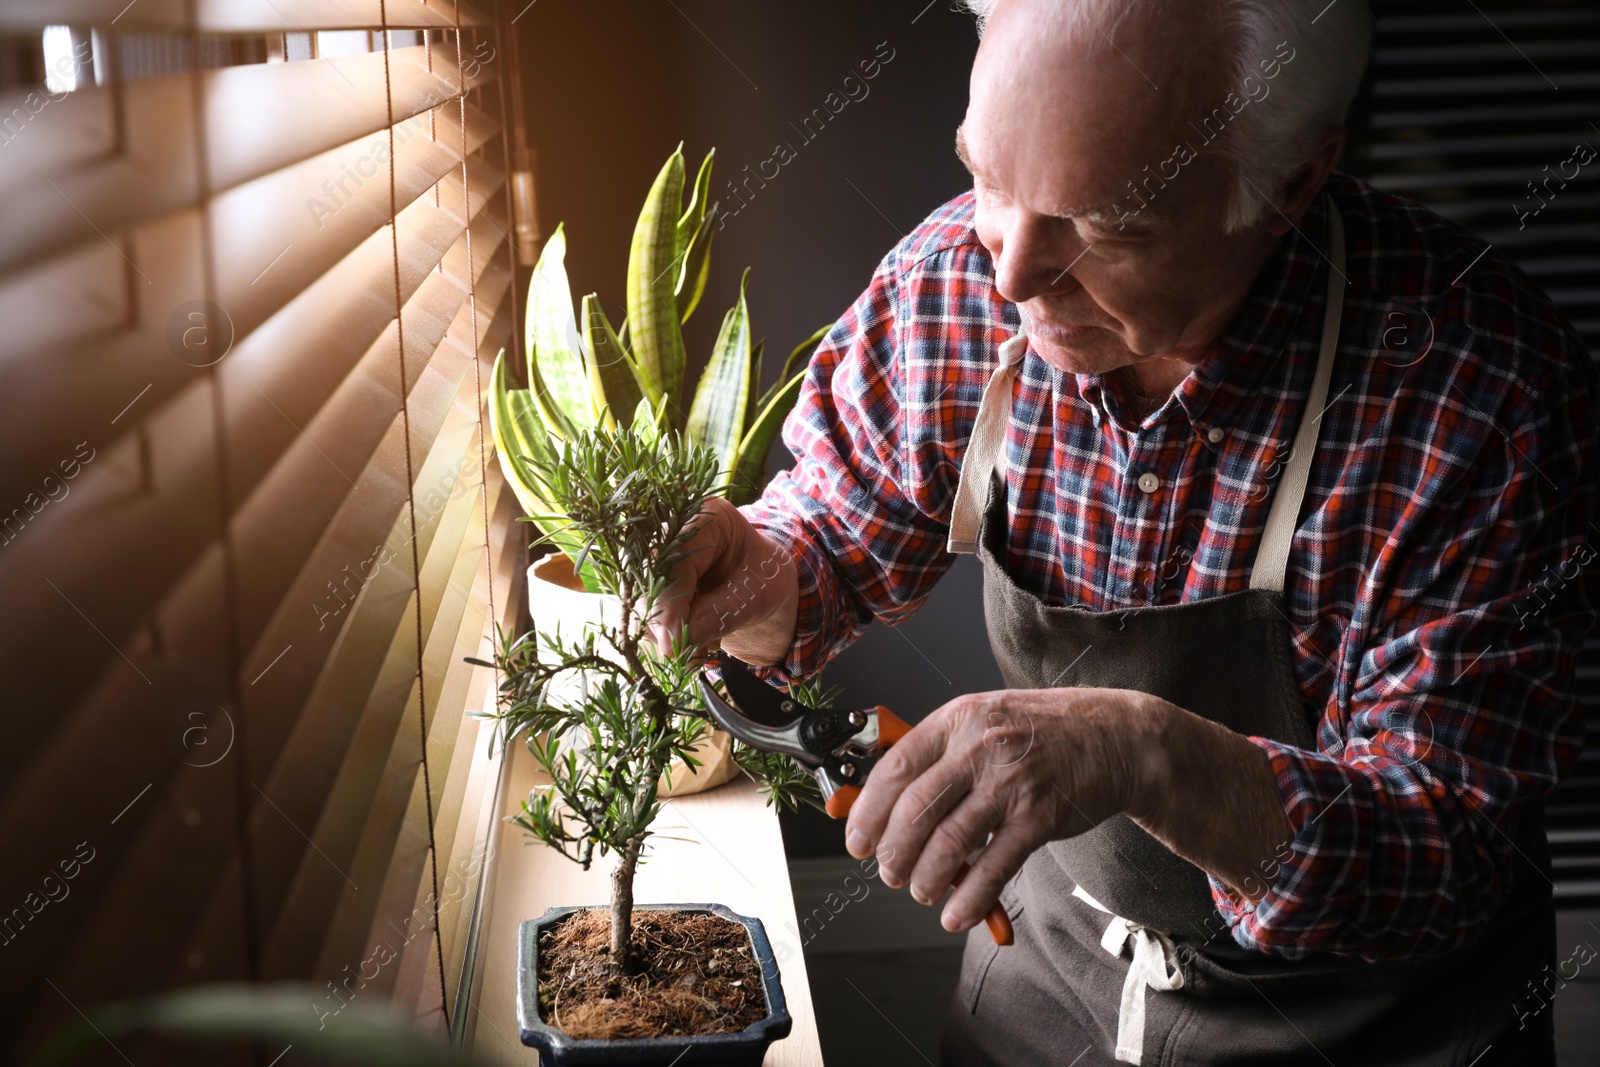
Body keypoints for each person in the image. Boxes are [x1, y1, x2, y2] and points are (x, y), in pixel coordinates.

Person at [656, 0, 1597, 1062]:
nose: (1009, 269)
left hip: (1375, 1020)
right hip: (1046, 983)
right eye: (986, 178)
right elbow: (837, 531)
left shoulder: (1482, 393)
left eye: (1102, 227)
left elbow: (1448, 853)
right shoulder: (957, 282)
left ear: (1288, 183)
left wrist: (1140, 753)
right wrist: (758, 573)